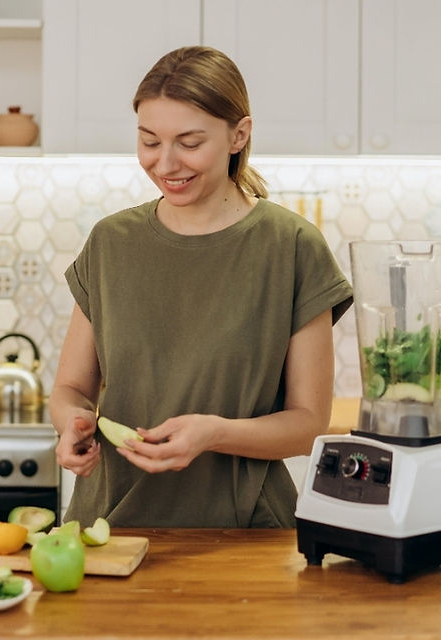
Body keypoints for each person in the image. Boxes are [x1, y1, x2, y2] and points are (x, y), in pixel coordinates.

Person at [50, 46, 353, 528]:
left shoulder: (293, 246)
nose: (165, 163)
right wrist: (73, 423)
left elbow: (307, 425)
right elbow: (70, 388)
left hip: (244, 534)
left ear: (239, 134)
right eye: (149, 141)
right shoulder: (111, 243)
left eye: (189, 142)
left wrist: (212, 434)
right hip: (108, 527)